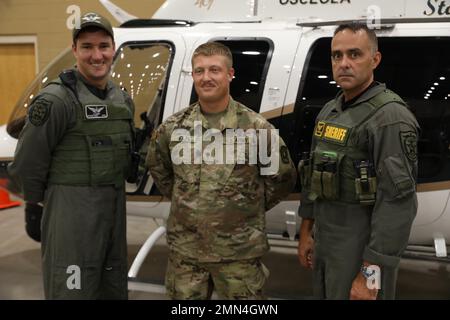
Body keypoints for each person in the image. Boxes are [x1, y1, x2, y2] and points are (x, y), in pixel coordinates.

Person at [147, 42, 296, 299]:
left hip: (238, 254)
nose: (206, 77)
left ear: (230, 74)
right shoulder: (173, 128)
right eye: (199, 71)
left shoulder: (256, 129)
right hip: (187, 255)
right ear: (192, 75)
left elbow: (281, 178)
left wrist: (243, 208)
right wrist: (190, 203)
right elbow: (160, 169)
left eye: (214, 70)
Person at [8, 12, 135, 299]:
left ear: (113, 49)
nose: (96, 55)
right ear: (74, 50)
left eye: (103, 46)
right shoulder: (56, 100)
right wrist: (36, 205)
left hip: (113, 212)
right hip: (71, 213)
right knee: (72, 289)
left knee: (111, 287)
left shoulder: (121, 98)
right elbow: (28, 161)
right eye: (87, 47)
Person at [297, 22, 420, 300]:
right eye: (336, 55)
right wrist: (306, 232)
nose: (344, 63)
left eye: (355, 54)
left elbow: (397, 204)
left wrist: (370, 275)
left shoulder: (390, 118)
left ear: (374, 59)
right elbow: (312, 179)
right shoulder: (331, 110)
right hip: (326, 241)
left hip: (362, 247)